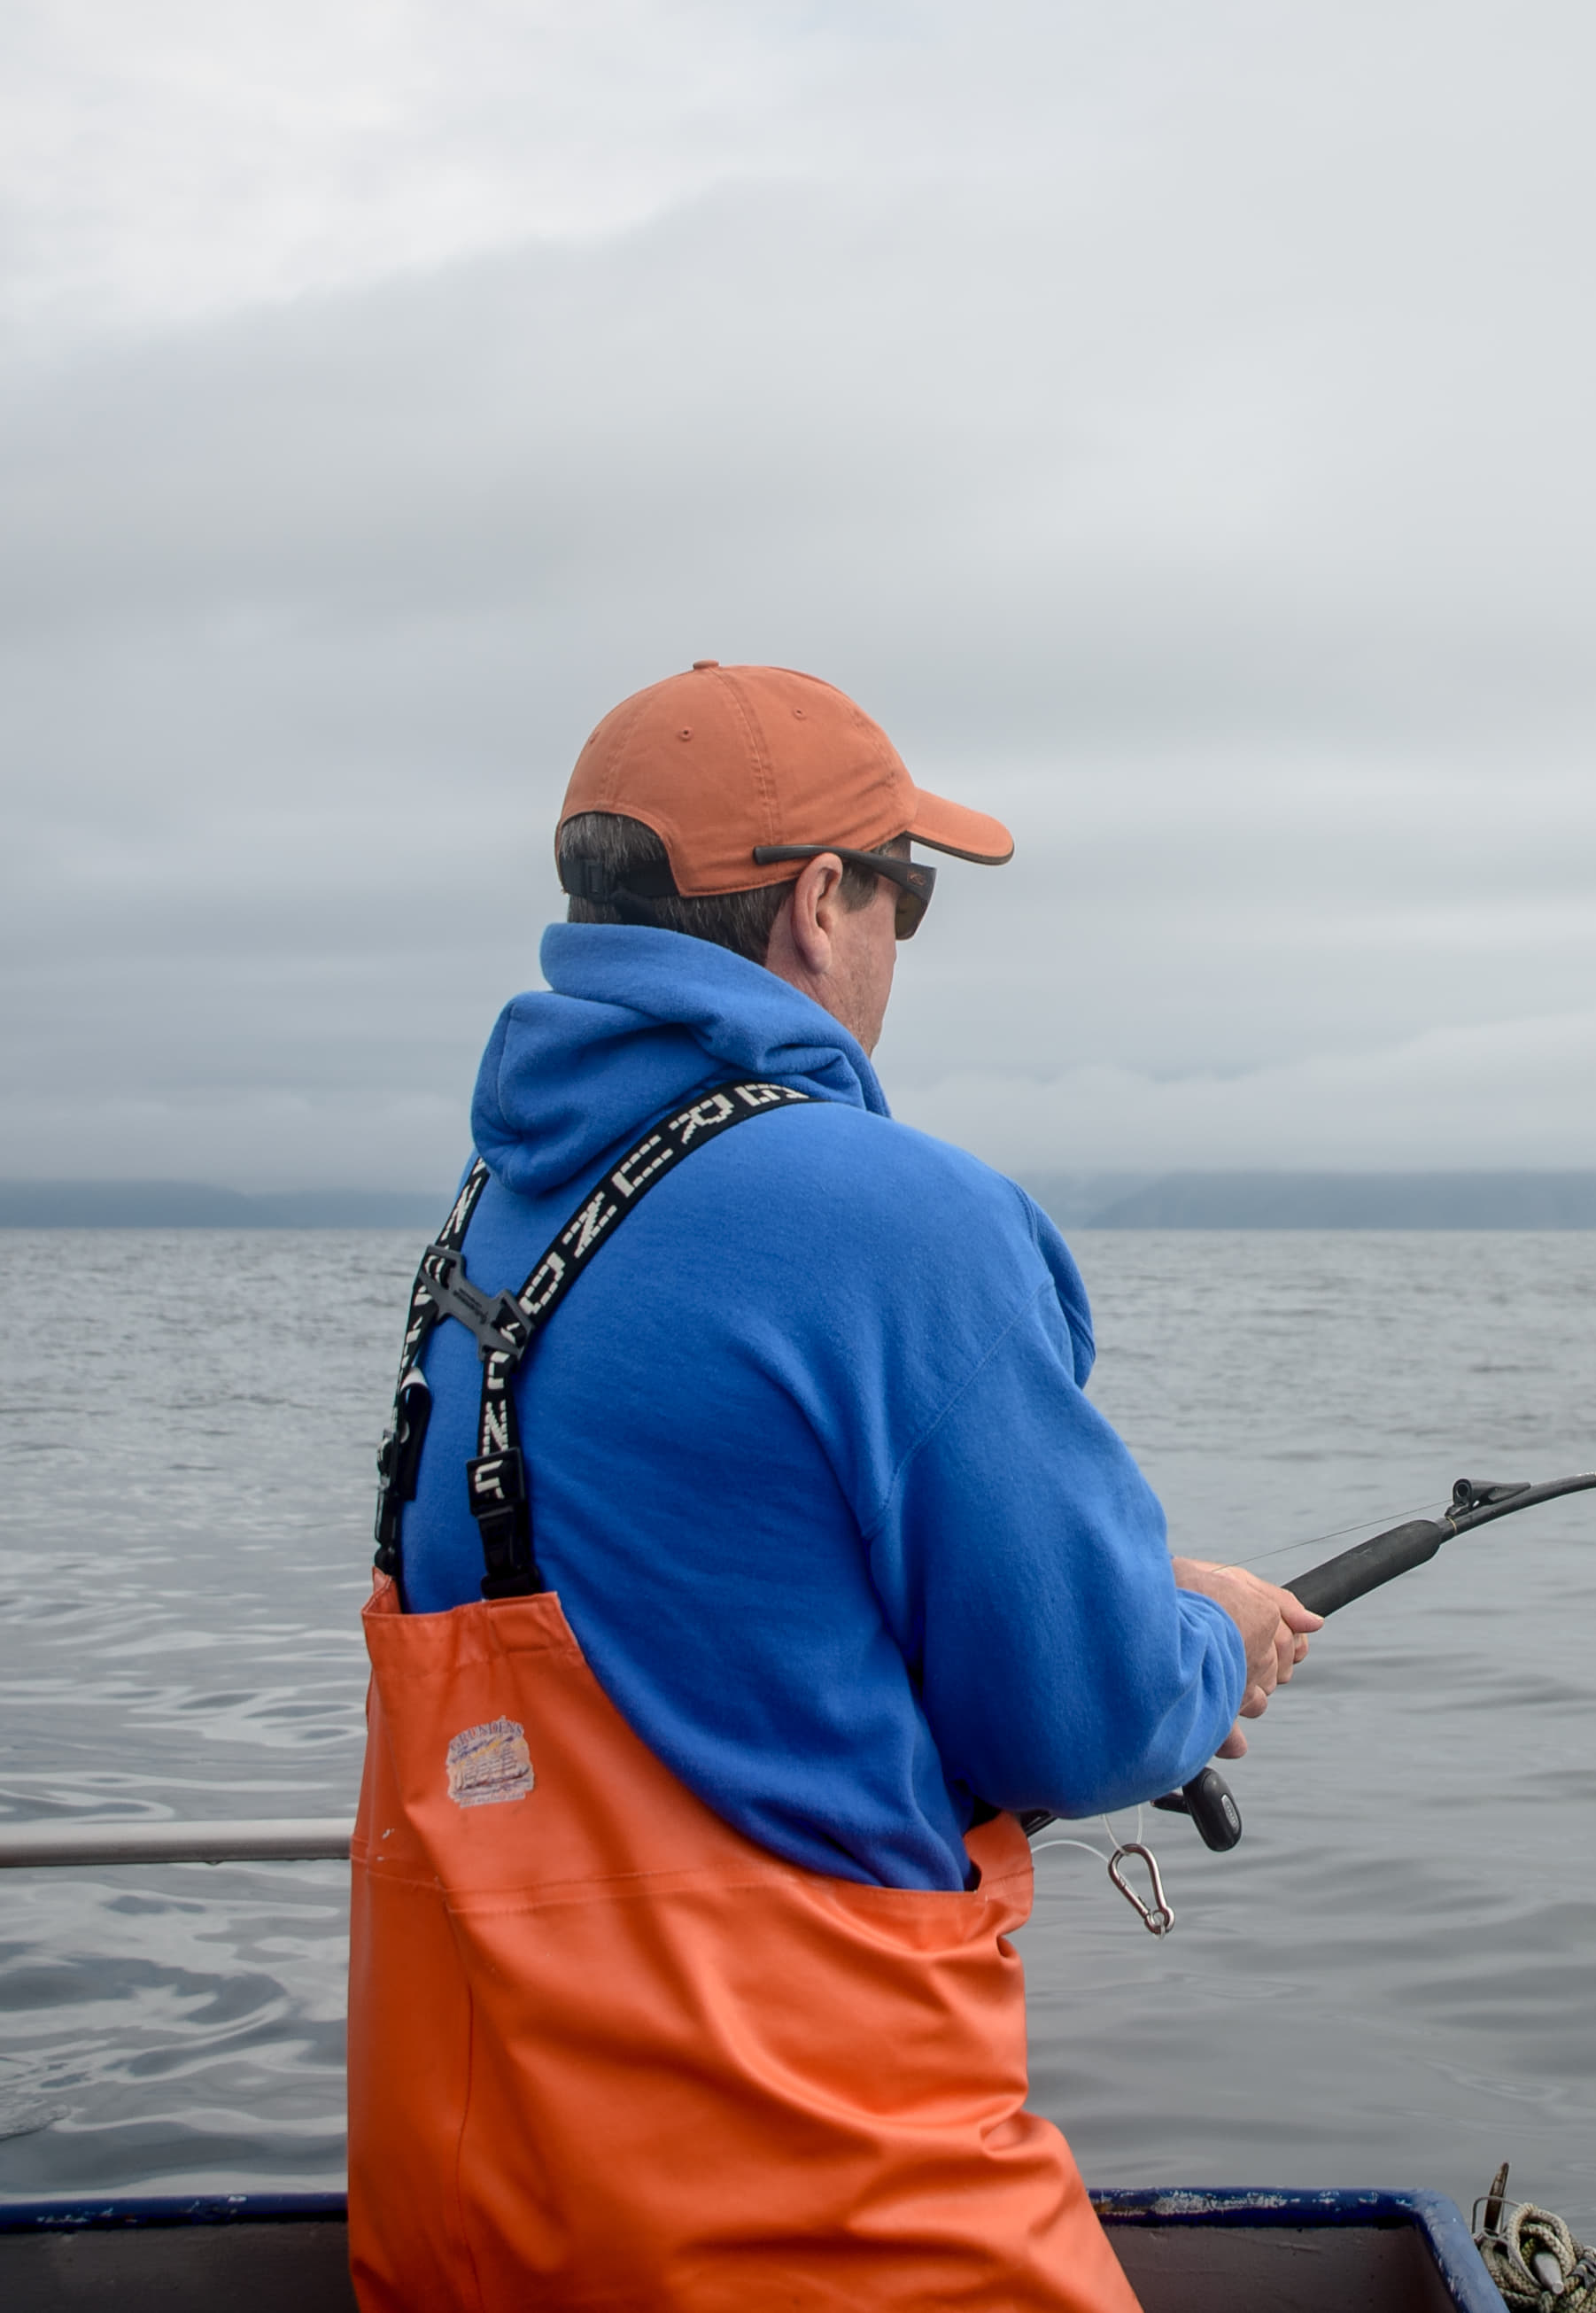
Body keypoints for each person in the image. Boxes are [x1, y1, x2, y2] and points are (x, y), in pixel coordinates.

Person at [347, 660, 1320, 2310]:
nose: (893, 945)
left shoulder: (494, 1217)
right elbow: (1080, 1717)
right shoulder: (893, 1221)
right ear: (817, 904)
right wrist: (1208, 1634)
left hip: (475, 2203)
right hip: (803, 2216)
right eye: (905, 897)